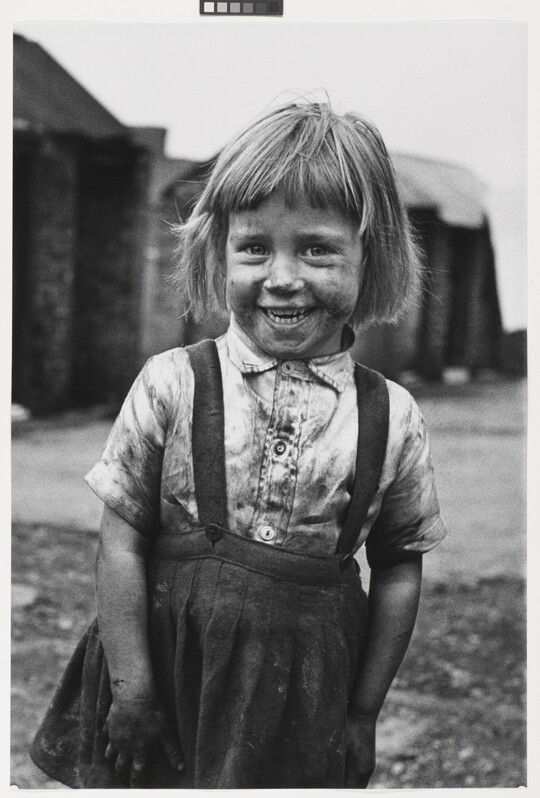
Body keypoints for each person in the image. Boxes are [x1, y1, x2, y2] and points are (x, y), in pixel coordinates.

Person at [30, 100, 446, 789]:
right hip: (163, 677)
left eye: (316, 247)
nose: (282, 276)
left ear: (370, 261)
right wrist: (132, 690)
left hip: (296, 698)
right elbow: (121, 540)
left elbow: (399, 567)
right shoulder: (172, 383)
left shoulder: (392, 417)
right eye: (255, 247)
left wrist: (364, 712)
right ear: (217, 252)